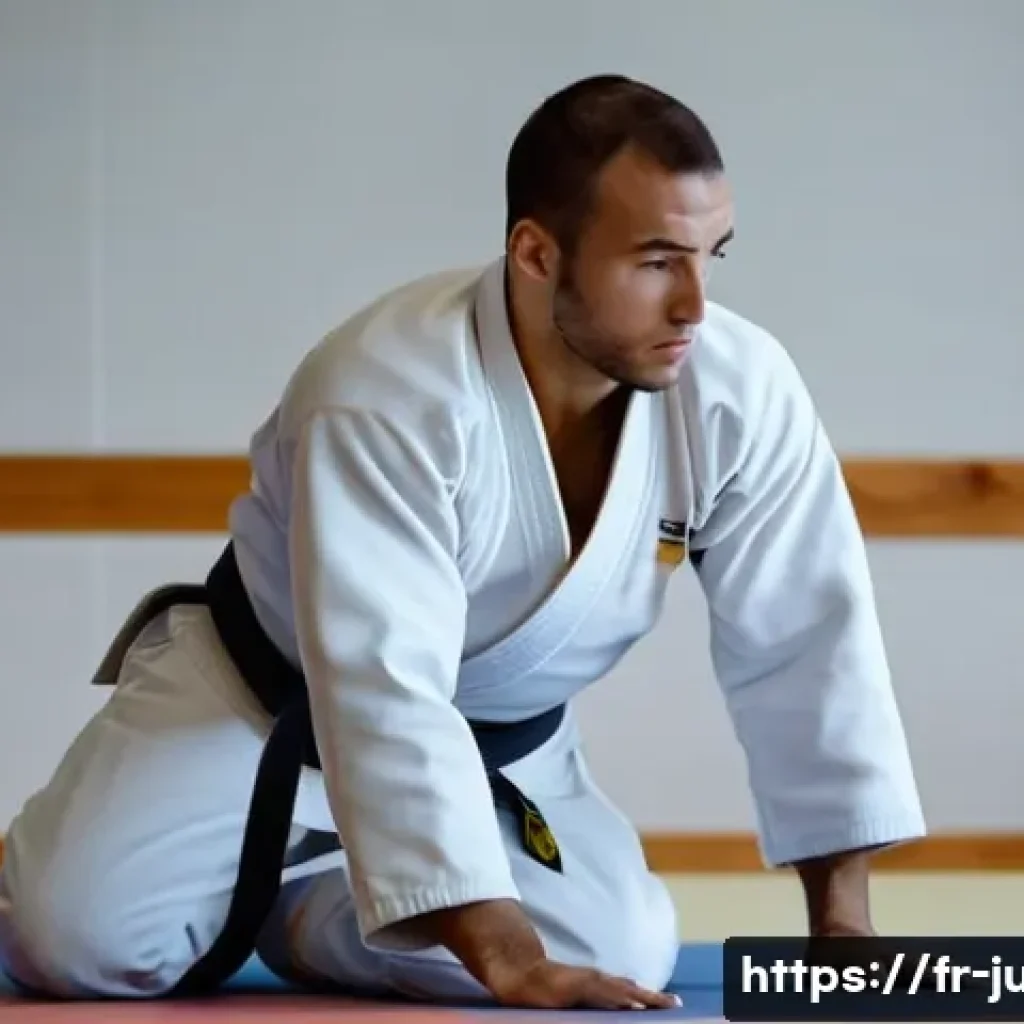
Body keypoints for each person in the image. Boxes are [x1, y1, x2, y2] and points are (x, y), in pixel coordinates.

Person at [0, 74, 925, 1010]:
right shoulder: (386, 388)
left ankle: (324, 902)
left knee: (623, 951)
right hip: (255, 706)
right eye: (655, 261)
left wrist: (842, 928)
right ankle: (328, 874)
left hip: (499, 754)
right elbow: (381, 680)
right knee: (76, 942)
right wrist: (505, 954)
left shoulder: (741, 389)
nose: (694, 303)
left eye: (710, 255)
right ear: (535, 251)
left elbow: (811, 643)